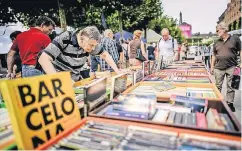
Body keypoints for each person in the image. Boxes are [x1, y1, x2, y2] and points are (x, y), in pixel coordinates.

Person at [38, 26, 122, 82]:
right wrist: (60, 81)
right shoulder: (65, 38)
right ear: (83, 38)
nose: (93, 49)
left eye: (94, 46)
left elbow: (105, 55)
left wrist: (117, 71)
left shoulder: (90, 43)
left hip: (75, 81)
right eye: (91, 45)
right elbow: (43, 59)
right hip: (56, 81)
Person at [211, 22, 242, 112]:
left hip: (232, 66)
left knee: (231, 86)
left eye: (218, 31)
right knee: (217, 86)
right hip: (218, 67)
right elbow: (214, 55)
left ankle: (230, 104)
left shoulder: (235, 39)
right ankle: (217, 102)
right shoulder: (216, 42)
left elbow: (241, 50)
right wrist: (212, 67)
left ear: (224, 30)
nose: (217, 32)